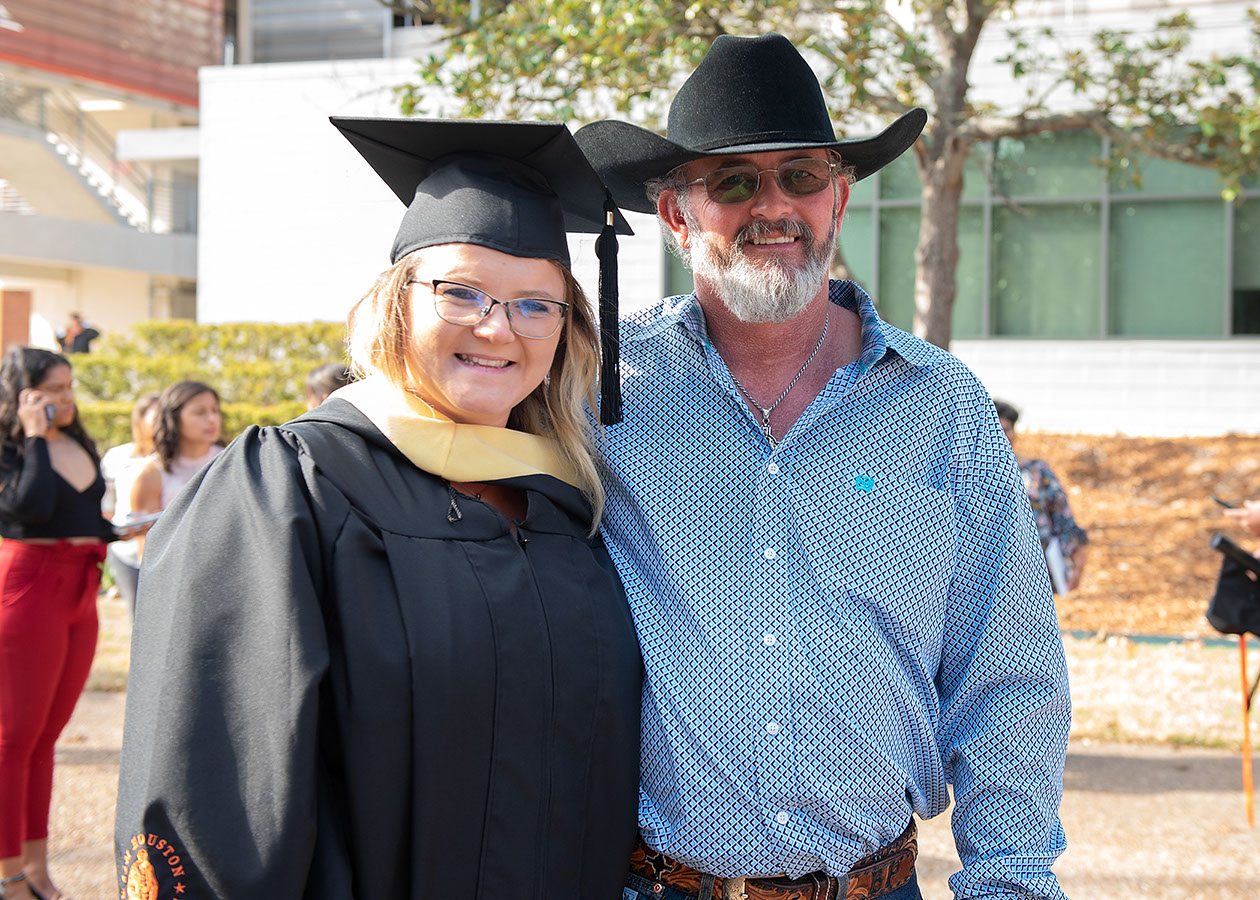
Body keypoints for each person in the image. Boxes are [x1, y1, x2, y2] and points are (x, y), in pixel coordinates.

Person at [575, 32, 1072, 900]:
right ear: (677, 216)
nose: (774, 206)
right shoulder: (603, 394)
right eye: (733, 181)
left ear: (838, 198)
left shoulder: (941, 405)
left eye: (801, 175)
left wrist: (1012, 881)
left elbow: (1009, 676)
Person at [113, 119, 641, 898]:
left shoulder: (568, 506)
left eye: (537, 305)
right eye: (461, 292)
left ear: (567, 331)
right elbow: (213, 789)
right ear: (398, 303)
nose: (499, 327)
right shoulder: (289, 487)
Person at [0, 347, 124, 900]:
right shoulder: (12, 448)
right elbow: (29, 507)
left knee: (46, 737)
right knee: (13, 738)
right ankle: (8, 877)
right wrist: (32, 437)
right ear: (24, 393)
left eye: (69, 385)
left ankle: (37, 867)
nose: (66, 397)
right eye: (53, 388)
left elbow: (83, 512)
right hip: (29, 584)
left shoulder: (79, 440)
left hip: (82, 584)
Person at [994, 400, 1090, 594]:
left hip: (1035, 567)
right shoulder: (970, 475)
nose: (1003, 436)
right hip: (990, 567)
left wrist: (1077, 557)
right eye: (997, 430)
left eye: (1007, 430)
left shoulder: (1036, 470)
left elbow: (1061, 513)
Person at [127, 381, 223, 561]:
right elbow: (146, 550)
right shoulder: (151, 473)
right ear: (174, 417)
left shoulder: (231, 461)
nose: (211, 419)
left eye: (215, 410)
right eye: (200, 412)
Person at [99, 391, 161, 615]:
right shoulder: (118, 456)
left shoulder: (177, 462)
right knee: (138, 616)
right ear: (140, 420)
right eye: (156, 417)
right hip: (125, 549)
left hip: (164, 548)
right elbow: (105, 501)